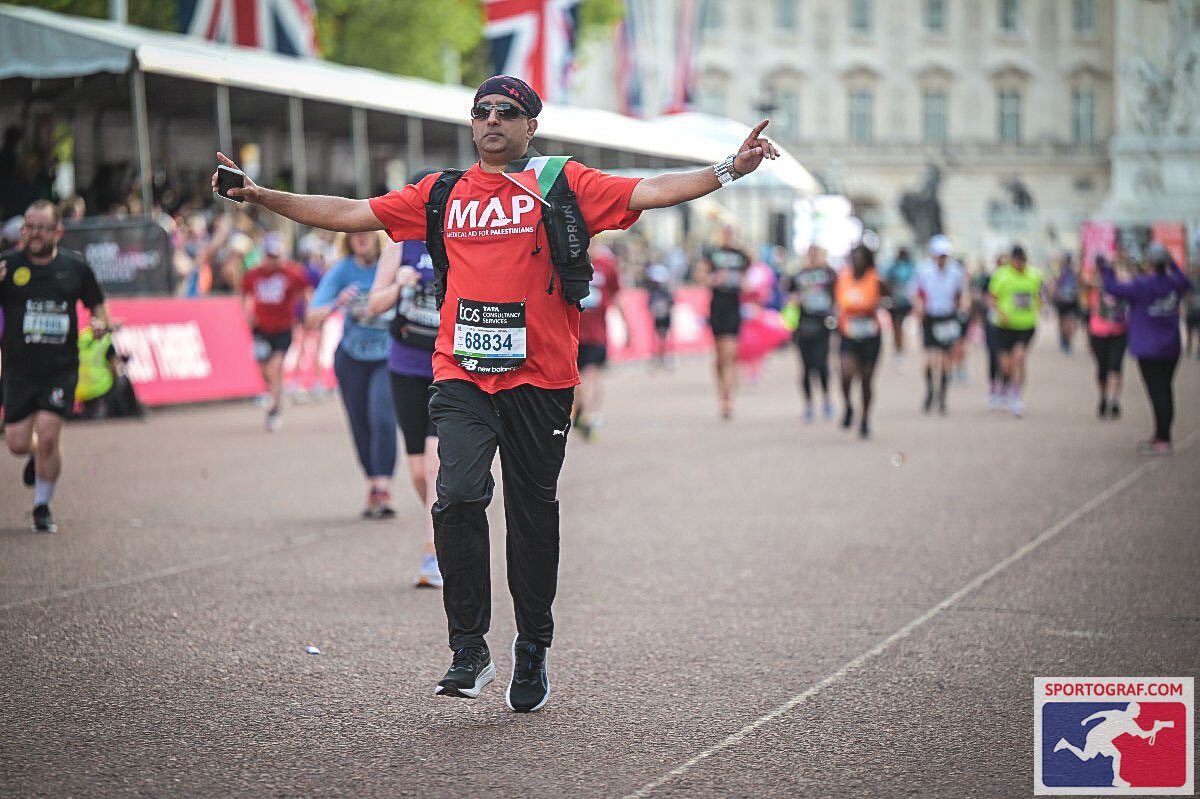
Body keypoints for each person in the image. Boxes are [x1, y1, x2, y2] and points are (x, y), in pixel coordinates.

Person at [211, 73, 779, 713]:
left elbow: (647, 190)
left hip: (542, 379)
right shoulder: (442, 193)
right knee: (455, 496)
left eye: (507, 112)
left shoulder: (562, 182)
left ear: (530, 125)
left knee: (533, 513)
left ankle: (533, 644)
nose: (491, 121)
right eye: (481, 111)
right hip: (461, 371)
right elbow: (348, 212)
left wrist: (729, 169)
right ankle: (468, 648)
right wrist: (259, 196)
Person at [0, 200, 110, 532]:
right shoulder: (6, 266)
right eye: (28, 227)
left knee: (49, 437)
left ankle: (42, 505)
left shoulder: (76, 268)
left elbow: (98, 307)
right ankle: (36, 455)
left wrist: (101, 323)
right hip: (19, 368)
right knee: (18, 443)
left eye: (40, 228)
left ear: (57, 231)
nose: (33, 234)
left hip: (60, 368)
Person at [367, 233, 442, 588]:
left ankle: (433, 555)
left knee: (434, 462)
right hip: (406, 367)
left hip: (449, 368)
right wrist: (398, 284)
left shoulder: (461, 237)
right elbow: (375, 304)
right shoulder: (401, 247)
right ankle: (445, 520)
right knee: (417, 471)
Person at [306, 231, 399, 517]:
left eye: (366, 232)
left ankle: (383, 487)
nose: (360, 238)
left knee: (381, 417)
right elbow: (311, 318)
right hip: (351, 358)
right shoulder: (342, 269)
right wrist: (337, 303)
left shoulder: (390, 263)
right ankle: (373, 485)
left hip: (387, 356)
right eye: (354, 234)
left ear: (376, 236)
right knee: (360, 424)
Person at [1098, 246, 1190, 455]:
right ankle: (1162, 435)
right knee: (1166, 390)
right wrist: (1172, 262)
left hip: (1149, 350)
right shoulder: (1174, 283)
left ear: (1148, 263)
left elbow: (1112, 288)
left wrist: (1109, 266)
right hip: (1171, 347)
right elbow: (1185, 281)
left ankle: (1162, 439)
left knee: (1157, 393)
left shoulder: (1142, 285)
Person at [240, 231, 310, 431]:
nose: (273, 261)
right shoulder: (254, 275)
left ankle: (274, 409)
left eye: (276, 256)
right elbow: (245, 294)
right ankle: (277, 394)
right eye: (270, 256)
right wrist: (247, 313)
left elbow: (304, 291)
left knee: (275, 366)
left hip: (283, 328)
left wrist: (305, 313)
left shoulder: (291, 273)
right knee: (264, 370)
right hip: (261, 328)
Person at [695, 225, 750, 419]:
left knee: (730, 354)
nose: (727, 236)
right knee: (720, 356)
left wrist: (743, 284)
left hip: (734, 306)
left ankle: (728, 398)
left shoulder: (742, 255)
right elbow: (700, 276)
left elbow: (749, 280)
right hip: (717, 306)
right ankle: (722, 392)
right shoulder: (712, 253)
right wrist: (714, 279)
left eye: (730, 233)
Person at [573, 240, 626, 441]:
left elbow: (616, 295)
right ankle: (582, 412)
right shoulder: (570, 260)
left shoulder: (607, 265)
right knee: (579, 378)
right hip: (573, 332)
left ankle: (588, 414)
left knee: (592, 374)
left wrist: (626, 322)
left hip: (597, 333)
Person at [835, 244, 887, 438]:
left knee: (866, 379)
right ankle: (848, 406)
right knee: (846, 373)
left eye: (861, 256)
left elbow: (889, 299)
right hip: (848, 332)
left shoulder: (876, 279)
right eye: (854, 256)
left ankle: (865, 418)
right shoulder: (843, 278)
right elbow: (837, 302)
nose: (858, 260)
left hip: (870, 334)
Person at [987, 245, 1042, 418]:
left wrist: (1038, 307)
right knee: (1006, 364)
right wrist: (1000, 312)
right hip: (1003, 327)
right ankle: (1005, 387)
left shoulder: (1034, 275)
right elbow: (992, 297)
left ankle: (1016, 395)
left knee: (1020, 357)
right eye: (1017, 260)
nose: (1019, 264)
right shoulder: (1001, 275)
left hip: (1025, 325)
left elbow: (1038, 296)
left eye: (1022, 260)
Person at [914, 234, 965, 415]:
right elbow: (917, 293)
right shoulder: (924, 270)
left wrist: (960, 313)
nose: (942, 259)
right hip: (930, 316)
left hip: (947, 317)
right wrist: (919, 308)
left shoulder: (956, 271)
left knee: (944, 360)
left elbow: (960, 294)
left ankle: (942, 396)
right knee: (928, 360)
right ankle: (930, 391)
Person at [785, 244, 837, 421]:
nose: (813, 257)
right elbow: (788, 292)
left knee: (821, 364)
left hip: (822, 325)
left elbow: (837, 295)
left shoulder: (829, 274)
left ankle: (826, 398)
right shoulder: (799, 275)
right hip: (803, 326)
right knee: (806, 367)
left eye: (816, 254)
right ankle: (808, 404)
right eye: (810, 254)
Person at [1080, 251, 1129, 419]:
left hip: (1119, 331)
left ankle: (1114, 401)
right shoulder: (1094, 283)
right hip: (1098, 332)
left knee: (1116, 366)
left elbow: (1130, 278)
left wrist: (1117, 263)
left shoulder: (1121, 281)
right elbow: (1084, 281)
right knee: (1102, 369)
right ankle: (1103, 398)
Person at [75, 325, 143, 420]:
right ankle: (130, 412)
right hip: (99, 388)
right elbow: (116, 369)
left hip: (79, 390)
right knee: (122, 380)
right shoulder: (106, 342)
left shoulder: (82, 337)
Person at [880, 247, 917, 360]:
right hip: (897, 303)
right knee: (897, 326)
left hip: (906, 302)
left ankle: (900, 348)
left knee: (901, 326)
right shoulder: (894, 267)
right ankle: (899, 349)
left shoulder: (909, 267)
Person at [644, 261, 675, 368]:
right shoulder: (653, 292)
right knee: (657, 338)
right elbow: (649, 305)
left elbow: (671, 303)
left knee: (665, 337)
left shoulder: (666, 292)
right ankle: (657, 357)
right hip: (656, 318)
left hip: (665, 317)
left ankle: (665, 356)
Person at [1051, 253, 1081, 354]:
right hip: (1063, 301)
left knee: (1067, 322)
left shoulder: (1069, 272)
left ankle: (1065, 341)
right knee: (1064, 322)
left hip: (1068, 301)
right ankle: (1064, 340)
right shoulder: (1065, 272)